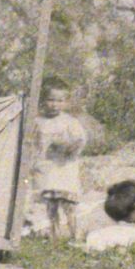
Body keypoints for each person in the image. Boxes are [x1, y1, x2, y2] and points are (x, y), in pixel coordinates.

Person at [31, 83, 90, 241]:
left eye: (59, 101)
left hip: (65, 167)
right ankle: (54, 236)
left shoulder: (70, 122)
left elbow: (80, 140)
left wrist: (69, 147)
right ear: (43, 100)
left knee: (69, 203)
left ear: (65, 103)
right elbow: (34, 143)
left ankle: (74, 235)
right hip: (48, 167)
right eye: (50, 99)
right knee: (51, 203)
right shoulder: (38, 121)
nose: (54, 104)